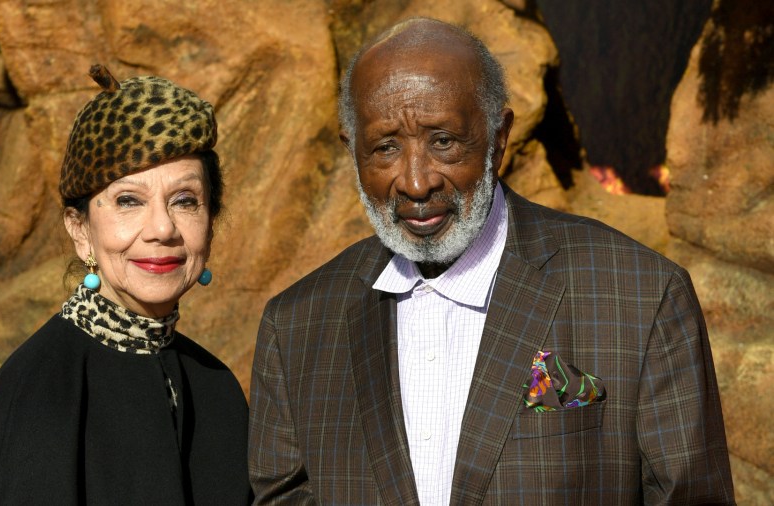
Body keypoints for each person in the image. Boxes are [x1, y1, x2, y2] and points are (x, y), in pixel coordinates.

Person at [248, 18, 734, 505]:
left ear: (499, 138)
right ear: (352, 151)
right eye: (386, 148)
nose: (416, 183)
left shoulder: (639, 294)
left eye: (443, 141)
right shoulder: (297, 327)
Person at [0, 65, 251, 504]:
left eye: (184, 201)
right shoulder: (40, 391)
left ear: (211, 221)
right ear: (80, 230)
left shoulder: (216, 386)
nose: (162, 229)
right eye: (128, 201)